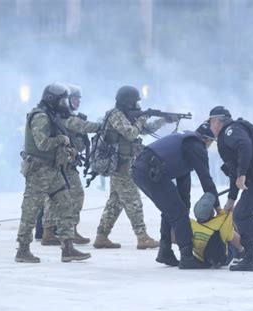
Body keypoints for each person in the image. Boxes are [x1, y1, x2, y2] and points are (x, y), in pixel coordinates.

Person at [15, 82, 91, 263]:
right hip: (39, 171)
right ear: (52, 100)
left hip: (53, 169)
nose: (65, 104)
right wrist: (61, 139)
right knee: (31, 211)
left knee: (66, 204)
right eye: (62, 100)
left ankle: (68, 248)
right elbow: (42, 144)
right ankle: (23, 250)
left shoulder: (52, 115)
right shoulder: (41, 116)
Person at [132, 122, 220, 269]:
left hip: (141, 169)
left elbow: (183, 187)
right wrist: (217, 206)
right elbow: (206, 179)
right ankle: (187, 257)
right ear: (207, 140)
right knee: (177, 212)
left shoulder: (185, 142)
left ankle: (165, 251)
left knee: (173, 208)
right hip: (150, 171)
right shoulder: (196, 147)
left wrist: (185, 206)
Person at [208, 106, 253, 272]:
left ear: (217, 121)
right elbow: (233, 170)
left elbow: (244, 145)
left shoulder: (230, 131)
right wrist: (231, 200)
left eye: (210, 122)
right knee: (240, 214)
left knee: (242, 215)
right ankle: (251, 259)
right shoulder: (227, 134)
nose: (210, 126)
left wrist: (242, 174)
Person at [93, 85, 169, 250]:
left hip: (125, 163)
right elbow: (131, 133)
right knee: (133, 200)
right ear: (127, 102)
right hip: (121, 165)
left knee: (115, 202)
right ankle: (142, 237)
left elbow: (145, 130)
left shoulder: (125, 116)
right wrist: (143, 117)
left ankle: (101, 236)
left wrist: (164, 120)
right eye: (135, 102)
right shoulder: (115, 115)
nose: (137, 106)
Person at [40, 84, 99, 246]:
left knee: (54, 198)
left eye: (78, 99)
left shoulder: (62, 116)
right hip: (65, 165)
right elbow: (84, 127)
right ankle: (68, 231)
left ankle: (49, 232)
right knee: (76, 195)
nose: (77, 102)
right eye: (74, 99)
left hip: (64, 163)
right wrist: (103, 126)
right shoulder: (65, 118)